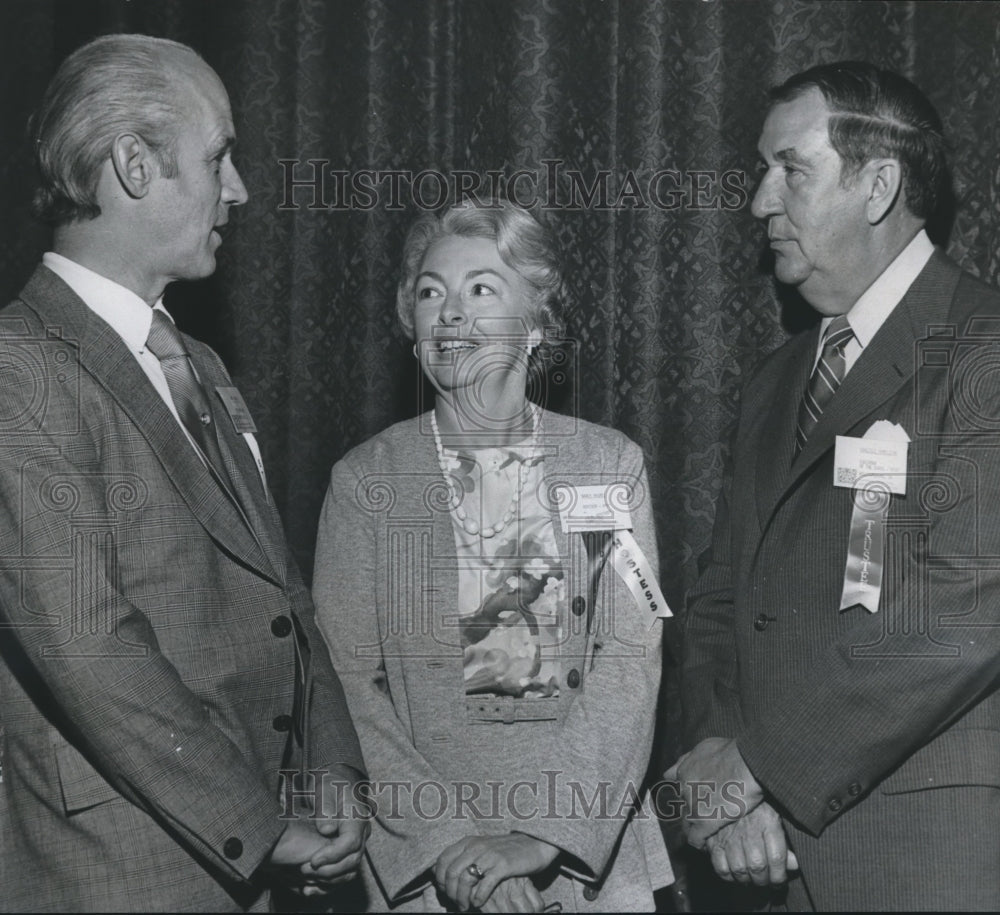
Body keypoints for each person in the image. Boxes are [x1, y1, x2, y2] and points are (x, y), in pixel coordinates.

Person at [0, 33, 368, 911]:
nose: (235, 188)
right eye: (218, 156)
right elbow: (88, 642)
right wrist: (263, 823)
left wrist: (332, 765)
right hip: (121, 870)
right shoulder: (20, 367)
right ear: (134, 164)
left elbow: (281, 592)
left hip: (243, 858)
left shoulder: (194, 359)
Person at [673, 61, 1000, 910]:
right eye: (761, 169)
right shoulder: (776, 380)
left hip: (926, 850)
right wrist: (724, 771)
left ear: (878, 184)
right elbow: (722, 599)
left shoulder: (984, 345)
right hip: (767, 855)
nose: (758, 201)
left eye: (791, 169)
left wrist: (759, 767)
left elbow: (964, 608)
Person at [312, 199, 673, 912]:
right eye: (429, 292)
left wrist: (539, 836)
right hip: (431, 867)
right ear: (411, 330)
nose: (449, 313)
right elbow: (347, 684)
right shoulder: (365, 482)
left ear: (536, 323)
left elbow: (633, 656)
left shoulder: (608, 464)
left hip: (589, 858)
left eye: (481, 288)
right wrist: (451, 846)